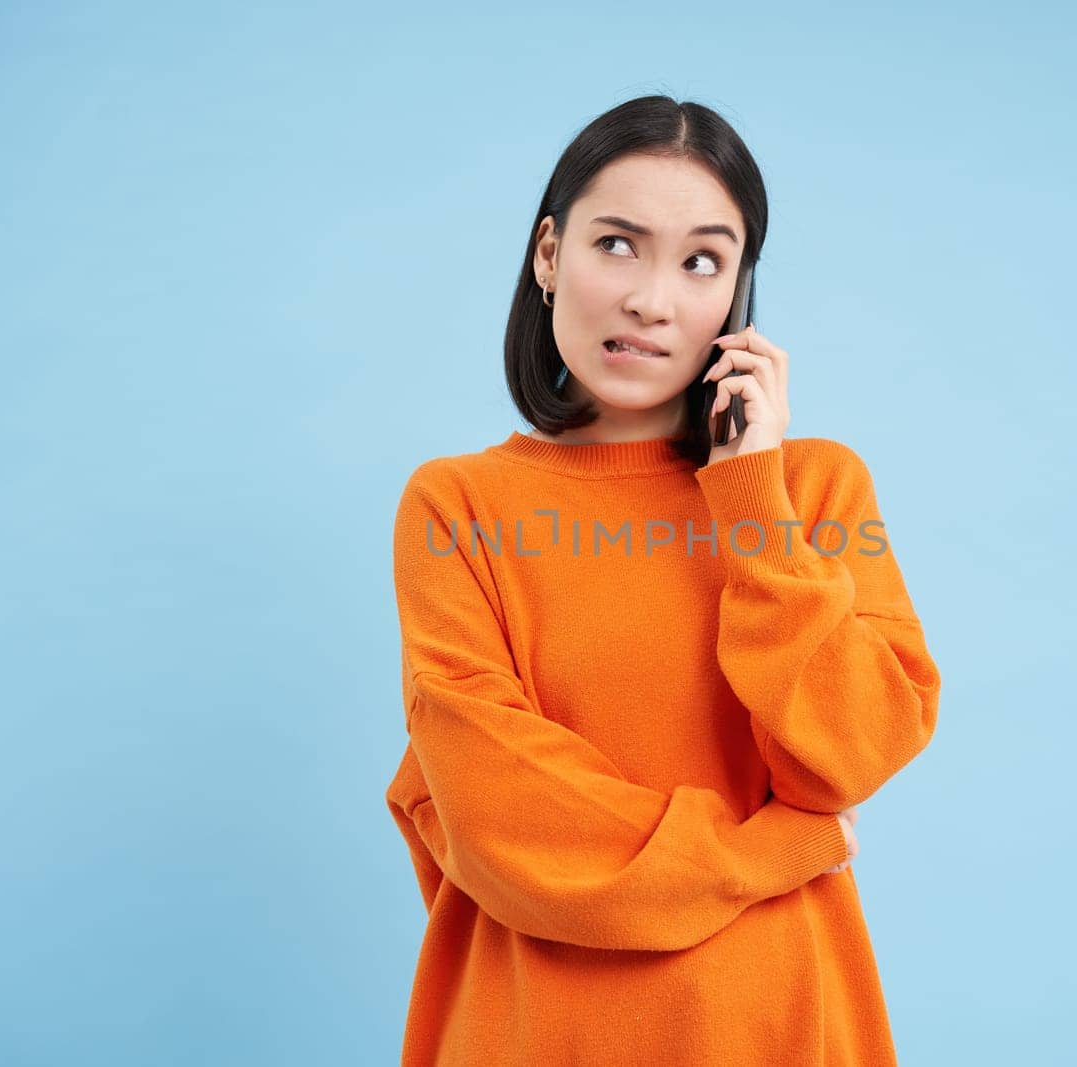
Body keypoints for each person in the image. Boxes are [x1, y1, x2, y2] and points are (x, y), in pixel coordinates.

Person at [384, 94, 942, 1065]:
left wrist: (749, 496)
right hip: (530, 1028)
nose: (652, 298)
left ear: (734, 295)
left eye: (700, 261)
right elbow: (502, 815)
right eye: (617, 245)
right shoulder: (456, 506)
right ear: (548, 255)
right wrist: (778, 846)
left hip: (774, 1022)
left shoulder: (814, 488)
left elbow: (848, 750)